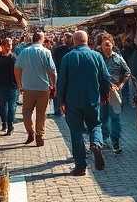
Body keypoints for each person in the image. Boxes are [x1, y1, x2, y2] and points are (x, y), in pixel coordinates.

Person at [57, 30, 111, 176]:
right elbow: (105, 78)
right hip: (92, 99)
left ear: (74, 41)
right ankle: (96, 144)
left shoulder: (67, 58)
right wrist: (105, 94)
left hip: (72, 101)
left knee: (76, 132)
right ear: (87, 41)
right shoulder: (97, 56)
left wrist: (60, 101)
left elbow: (61, 81)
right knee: (95, 125)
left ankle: (80, 166)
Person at [15, 30, 57, 147]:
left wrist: (19, 84)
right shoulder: (46, 52)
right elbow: (52, 71)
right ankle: (39, 135)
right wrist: (54, 85)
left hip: (28, 88)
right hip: (43, 88)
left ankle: (30, 132)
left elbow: (17, 68)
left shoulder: (24, 52)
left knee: (26, 112)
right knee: (41, 113)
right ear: (41, 39)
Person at [98, 34, 131, 154]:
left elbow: (128, 72)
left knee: (115, 118)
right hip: (101, 92)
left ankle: (115, 142)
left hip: (115, 93)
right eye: (104, 45)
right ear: (100, 46)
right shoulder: (97, 58)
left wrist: (121, 85)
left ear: (112, 44)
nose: (107, 47)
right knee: (102, 117)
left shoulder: (118, 58)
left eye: (108, 44)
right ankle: (103, 140)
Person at [0, 38, 18, 135]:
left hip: (12, 86)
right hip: (1, 86)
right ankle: (4, 124)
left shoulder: (14, 58)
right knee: (2, 106)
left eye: (10, 44)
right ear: (2, 46)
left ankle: (9, 126)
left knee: (11, 107)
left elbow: (18, 72)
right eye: (8, 44)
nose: (10, 46)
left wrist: (20, 84)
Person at [51, 33, 73, 117]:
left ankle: (58, 110)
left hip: (60, 73)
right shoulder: (72, 50)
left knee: (58, 92)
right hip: (65, 74)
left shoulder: (58, 49)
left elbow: (54, 62)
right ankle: (62, 110)